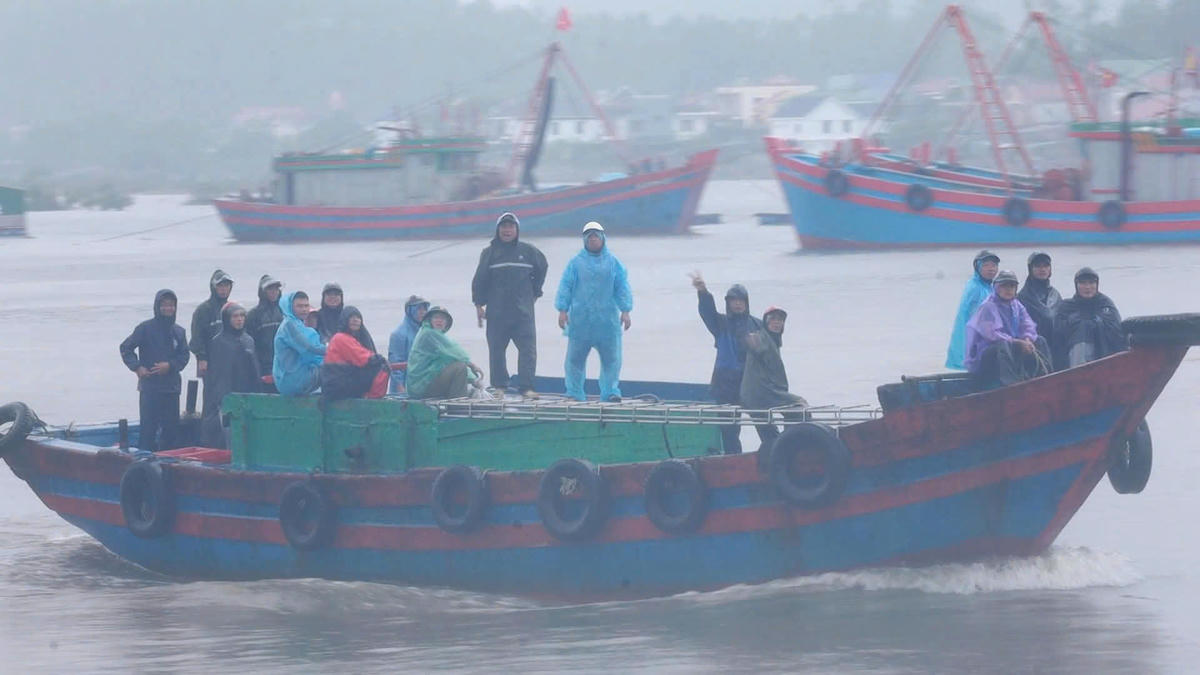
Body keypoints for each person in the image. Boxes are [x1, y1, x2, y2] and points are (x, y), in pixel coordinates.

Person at [471, 212, 549, 396]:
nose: (507, 230)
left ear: (517, 230)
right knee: (496, 351)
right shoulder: (489, 253)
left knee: (528, 351)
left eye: (511, 227)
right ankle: (499, 386)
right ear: (498, 229)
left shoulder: (528, 251)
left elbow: (543, 267)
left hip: (523, 313)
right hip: (497, 313)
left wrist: (536, 291)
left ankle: (527, 387)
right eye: (503, 227)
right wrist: (478, 304)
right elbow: (480, 279)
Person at [554, 221, 633, 402]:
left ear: (603, 238)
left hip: (607, 322)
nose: (593, 240)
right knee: (574, 361)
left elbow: (622, 287)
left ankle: (611, 392)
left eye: (596, 236)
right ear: (584, 240)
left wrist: (626, 310)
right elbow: (565, 286)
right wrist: (562, 309)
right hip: (580, 322)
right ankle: (574, 393)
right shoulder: (575, 263)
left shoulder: (614, 263)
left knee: (612, 361)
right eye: (589, 237)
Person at [692, 274, 762, 454]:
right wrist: (703, 291)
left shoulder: (757, 325)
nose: (737, 304)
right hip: (725, 385)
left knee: (763, 422)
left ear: (746, 302)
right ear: (728, 303)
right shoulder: (720, 323)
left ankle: (771, 453)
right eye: (733, 300)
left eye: (741, 300)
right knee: (730, 430)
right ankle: (734, 459)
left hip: (750, 383)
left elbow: (770, 351)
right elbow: (707, 312)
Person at [119, 289, 190, 452]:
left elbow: (184, 356)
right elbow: (125, 348)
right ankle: (145, 462)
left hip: (171, 389)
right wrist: (137, 367)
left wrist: (170, 366)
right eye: (164, 305)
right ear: (157, 307)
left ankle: (169, 463)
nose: (168, 309)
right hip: (150, 388)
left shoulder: (179, 332)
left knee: (171, 431)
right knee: (148, 430)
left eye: (171, 305)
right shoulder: (144, 328)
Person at [964, 270, 1052, 388]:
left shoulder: (1017, 305)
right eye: (1004, 286)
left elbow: (1027, 325)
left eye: (1011, 286)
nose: (1008, 289)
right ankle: (1011, 385)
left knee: (1040, 340)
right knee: (1003, 345)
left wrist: (1027, 339)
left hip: (1012, 346)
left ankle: (1047, 376)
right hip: (988, 351)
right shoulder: (988, 306)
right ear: (996, 287)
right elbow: (992, 334)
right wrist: (1016, 342)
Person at [740, 306, 808, 451]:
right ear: (766, 322)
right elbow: (757, 346)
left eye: (780, 320)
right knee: (799, 406)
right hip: (762, 392)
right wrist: (751, 341)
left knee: (769, 435)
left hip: (756, 394)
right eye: (773, 320)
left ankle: (779, 451)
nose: (777, 323)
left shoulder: (774, 341)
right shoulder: (762, 338)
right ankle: (792, 444)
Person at [201, 302, 260, 448]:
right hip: (228, 395)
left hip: (247, 393)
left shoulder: (249, 340)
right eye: (235, 316)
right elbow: (217, 374)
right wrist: (222, 399)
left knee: (250, 434)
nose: (239, 319)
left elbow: (255, 370)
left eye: (242, 316)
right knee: (230, 434)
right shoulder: (218, 342)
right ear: (227, 319)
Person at [1052, 267, 1128, 370]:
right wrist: (1073, 324)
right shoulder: (1066, 306)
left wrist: (1094, 324)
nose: (1087, 287)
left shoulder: (1105, 304)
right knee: (1082, 328)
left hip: (1104, 356)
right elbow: (1057, 334)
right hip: (1072, 356)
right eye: (1083, 283)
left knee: (1087, 326)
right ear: (1076, 285)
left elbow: (1116, 331)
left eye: (1091, 283)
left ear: (1097, 285)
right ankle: (1077, 371)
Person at [406, 306, 485, 399]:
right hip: (420, 386)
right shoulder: (428, 333)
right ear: (429, 320)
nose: (439, 321)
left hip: (424, 383)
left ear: (447, 323)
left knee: (457, 365)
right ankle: (457, 406)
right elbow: (457, 352)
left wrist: (473, 380)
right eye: (436, 317)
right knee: (460, 368)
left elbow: (452, 358)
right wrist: (473, 366)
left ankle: (459, 397)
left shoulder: (438, 339)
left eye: (442, 318)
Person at [321, 306, 390, 400]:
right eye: (351, 317)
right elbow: (363, 358)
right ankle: (372, 398)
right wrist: (380, 359)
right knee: (382, 367)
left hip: (335, 384)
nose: (355, 320)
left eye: (358, 318)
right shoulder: (341, 338)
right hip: (338, 385)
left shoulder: (346, 338)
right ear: (344, 321)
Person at [946, 250, 999, 369]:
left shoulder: (990, 287)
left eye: (994, 265)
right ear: (978, 267)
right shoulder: (975, 288)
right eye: (986, 265)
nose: (991, 269)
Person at [273, 291, 327, 396]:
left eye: (306, 306)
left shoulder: (297, 323)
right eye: (299, 306)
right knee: (335, 369)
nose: (304, 309)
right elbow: (309, 347)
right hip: (291, 379)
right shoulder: (289, 325)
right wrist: (334, 350)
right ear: (290, 307)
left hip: (292, 377)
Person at [189, 268, 233, 379]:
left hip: (230, 362)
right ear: (214, 287)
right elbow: (197, 337)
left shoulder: (232, 308)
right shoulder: (203, 310)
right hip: (210, 363)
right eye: (220, 286)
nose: (224, 289)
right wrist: (201, 358)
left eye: (226, 286)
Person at [245, 274, 284, 392]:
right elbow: (249, 344)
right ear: (263, 291)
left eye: (276, 289)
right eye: (270, 289)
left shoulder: (285, 311)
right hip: (263, 365)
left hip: (283, 364)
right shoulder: (253, 315)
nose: (274, 292)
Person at [1017, 252, 1061, 355]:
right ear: (1030, 269)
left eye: (1046, 266)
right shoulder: (1022, 297)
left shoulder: (1055, 294)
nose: (1042, 269)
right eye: (1038, 266)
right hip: (1036, 348)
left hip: (1057, 346)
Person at [387, 295, 430, 394]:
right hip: (404, 385)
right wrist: (400, 386)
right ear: (409, 311)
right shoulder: (399, 334)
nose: (422, 312)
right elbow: (395, 364)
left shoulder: (426, 332)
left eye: (424, 309)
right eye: (418, 309)